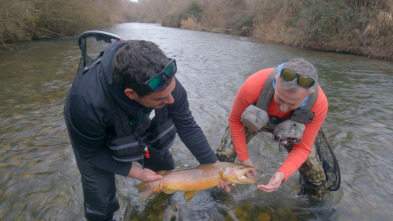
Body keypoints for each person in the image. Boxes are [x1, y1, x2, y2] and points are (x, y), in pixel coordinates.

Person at [64, 40, 221, 220]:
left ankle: (162, 208)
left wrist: (215, 168)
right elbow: (92, 155)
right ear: (131, 94)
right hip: (93, 130)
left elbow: (186, 125)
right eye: (161, 99)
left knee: (164, 167)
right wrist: (138, 173)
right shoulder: (84, 105)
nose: (171, 100)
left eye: (172, 90)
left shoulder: (163, 81)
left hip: (135, 113)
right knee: (101, 201)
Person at [216, 58, 331, 199]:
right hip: (254, 119)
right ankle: (220, 198)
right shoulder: (254, 84)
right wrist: (244, 159)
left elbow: (303, 148)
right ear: (275, 81)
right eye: (279, 98)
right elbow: (235, 121)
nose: (282, 108)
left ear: (309, 94)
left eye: (291, 104)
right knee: (223, 158)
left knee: (316, 177)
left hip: (291, 129)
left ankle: (313, 209)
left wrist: (282, 173)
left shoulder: (319, 104)